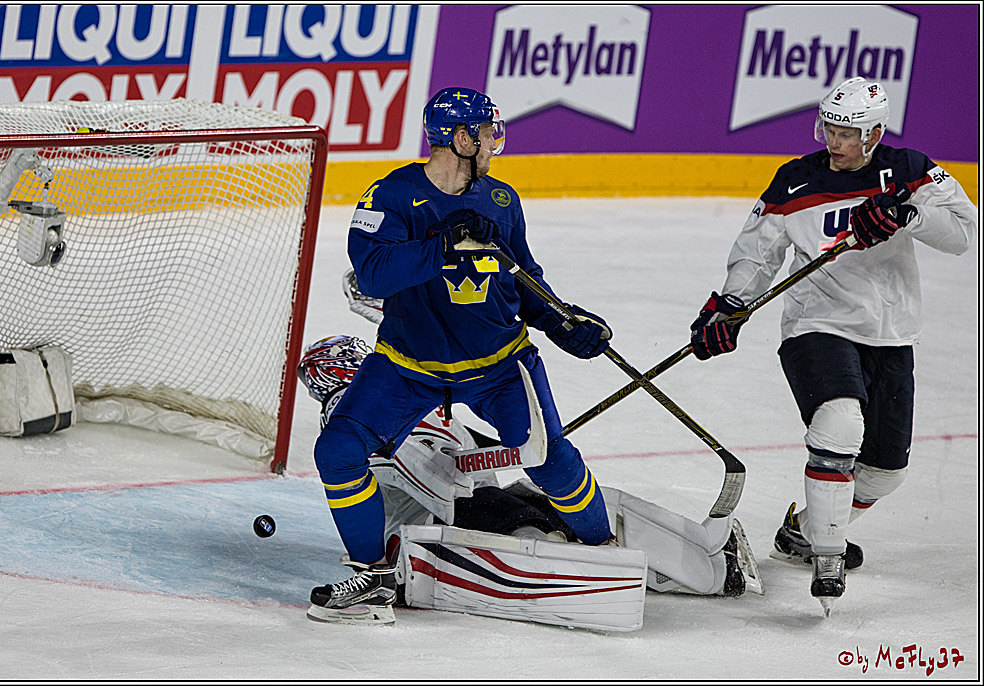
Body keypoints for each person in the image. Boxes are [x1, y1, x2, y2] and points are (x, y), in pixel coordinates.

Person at [307, 87, 617, 625]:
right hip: (408, 366)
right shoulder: (389, 196)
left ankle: (604, 553)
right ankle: (372, 579)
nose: (496, 141)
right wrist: (440, 247)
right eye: (488, 131)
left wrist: (563, 321)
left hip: (499, 365)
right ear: (458, 137)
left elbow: (524, 281)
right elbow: (374, 272)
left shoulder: (501, 201)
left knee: (549, 458)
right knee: (337, 450)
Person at [689, 77, 977, 614]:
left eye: (847, 133)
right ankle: (828, 553)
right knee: (840, 421)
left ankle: (802, 531)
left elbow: (965, 232)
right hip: (815, 323)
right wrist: (728, 303)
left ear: (874, 133)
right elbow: (758, 250)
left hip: (891, 332)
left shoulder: (909, 170)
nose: (834, 142)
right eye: (830, 129)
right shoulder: (796, 179)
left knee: (886, 471)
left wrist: (907, 215)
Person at [298, 331, 762, 629]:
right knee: (517, 514)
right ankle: (707, 570)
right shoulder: (355, 411)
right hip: (425, 531)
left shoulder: (384, 393)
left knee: (543, 498)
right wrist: (514, 454)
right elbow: (438, 479)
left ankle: (708, 561)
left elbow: (456, 451)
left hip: (457, 507)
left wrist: (517, 448)